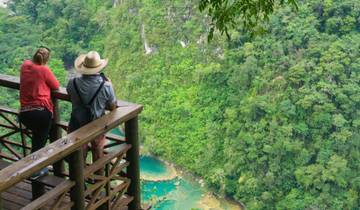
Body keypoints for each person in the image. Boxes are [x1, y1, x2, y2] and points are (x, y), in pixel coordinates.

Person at [67, 51, 117, 164]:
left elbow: (71, 96)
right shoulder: (106, 86)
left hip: (76, 126)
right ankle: (98, 180)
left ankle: (79, 180)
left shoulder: (72, 83)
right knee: (98, 153)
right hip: (96, 126)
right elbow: (113, 106)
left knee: (77, 156)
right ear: (98, 68)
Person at [19, 47, 60, 178]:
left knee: (37, 140)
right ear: (47, 59)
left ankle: (33, 167)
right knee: (39, 143)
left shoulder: (25, 65)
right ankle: (35, 171)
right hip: (41, 112)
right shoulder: (44, 69)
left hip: (25, 113)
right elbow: (56, 86)